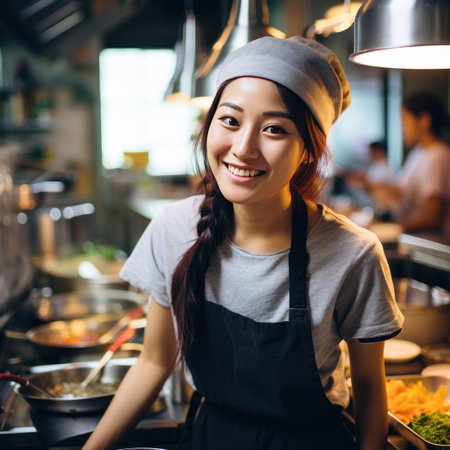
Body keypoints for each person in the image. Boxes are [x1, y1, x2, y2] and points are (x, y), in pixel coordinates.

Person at [82, 36, 403, 450]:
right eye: (230, 120)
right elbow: (154, 361)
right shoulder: (174, 228)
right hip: (212, 437)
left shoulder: (353, 253)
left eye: (274, 129)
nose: (243, 148)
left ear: (308, 150)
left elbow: (369, 388)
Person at [370, 92, 450, 239]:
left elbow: (431, 218)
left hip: (431, 247)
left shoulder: (439, 156)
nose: (402, 128)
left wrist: (389, 227)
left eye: (405, 121)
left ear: (424, 121)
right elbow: (401, 191)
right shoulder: (419, 153)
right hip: (416, 241)